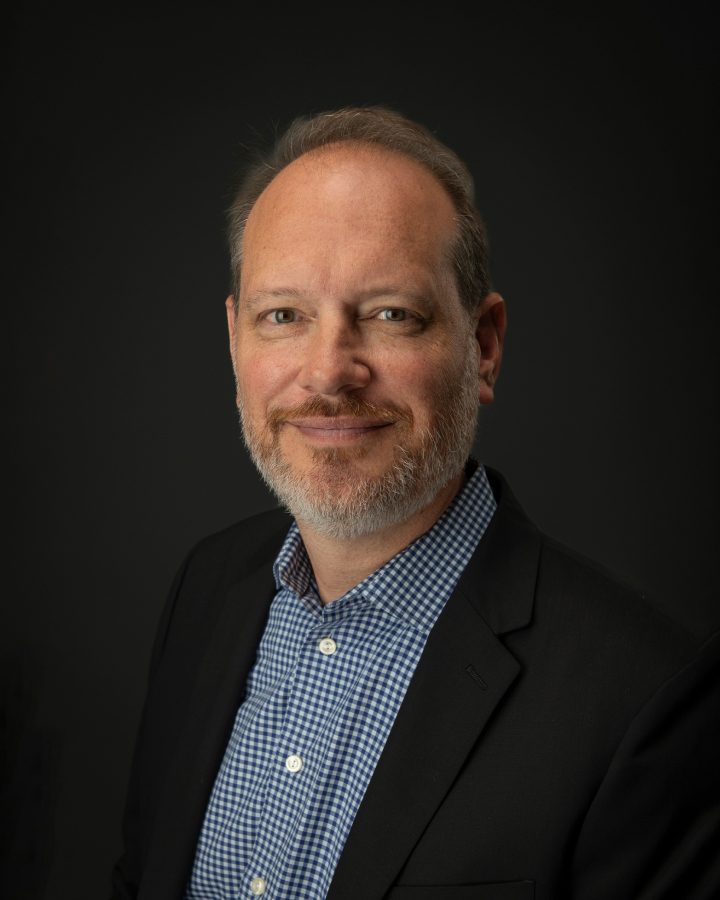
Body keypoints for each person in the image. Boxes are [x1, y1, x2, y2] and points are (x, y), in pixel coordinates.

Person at [111, 108, 719, 900]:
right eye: (283, 316)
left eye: (390, 314)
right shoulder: (206, 588)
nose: (329, 372)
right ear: (235, 343)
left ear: (484, 345)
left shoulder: (644, 700)